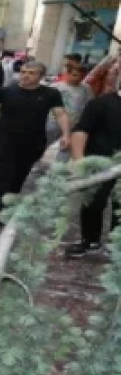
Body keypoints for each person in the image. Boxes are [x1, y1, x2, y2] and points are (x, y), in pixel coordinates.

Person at [0, 61, 70, 226]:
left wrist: (66, 134)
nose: (25, 75)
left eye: (31, 73)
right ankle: (0, 209)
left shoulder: (50, 94)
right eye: (23, 72)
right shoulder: (4, 91)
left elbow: (61, 114)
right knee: (3, 174)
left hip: (32, 142)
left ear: (40, 76)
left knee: (19, 175)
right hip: (4, 139)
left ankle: (11, 202)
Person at [67, 85, 121, 258]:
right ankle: (90, 240)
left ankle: (116, 245)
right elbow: (81, 130)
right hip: (100, 162)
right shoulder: (101, 103)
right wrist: (79, 161)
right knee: (93, 201)